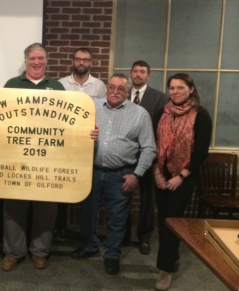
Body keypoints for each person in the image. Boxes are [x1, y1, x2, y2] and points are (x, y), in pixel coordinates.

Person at [71, 73, 156, 275]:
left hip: (121, 173)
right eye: (112, 87)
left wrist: (136, 175)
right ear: (106, 88)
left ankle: (112, 255)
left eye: (121, 89)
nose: (115, 91)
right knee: (88, 213)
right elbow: (73, 132)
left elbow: (149, 148)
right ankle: (90, 246)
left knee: (117, 218)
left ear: (128, 92)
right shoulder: (92, 107)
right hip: (91, 170)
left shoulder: (140, 113)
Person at [1, 42, 65, 272]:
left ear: (46, 61)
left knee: (46, 209)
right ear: (25, 61)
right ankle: (13, 252)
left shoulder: (57, 87)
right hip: (17, 157)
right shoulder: (11, 85)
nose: (36, 62)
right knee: (14, 207)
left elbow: (68, 124)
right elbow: (0, 119)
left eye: (40, 58)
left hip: (49, 159)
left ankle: (40, 251)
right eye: (32, 58)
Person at [151, 73, 212, 291]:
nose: (175, 92)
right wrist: (157, 173)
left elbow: (201, 152)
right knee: (163, 221)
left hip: (184, 177)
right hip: (161, 174)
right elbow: (153, 145)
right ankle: (171, 258)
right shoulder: (162, 113)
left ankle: (165, 271)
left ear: (191, 89)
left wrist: (181, 177)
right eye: (172, 88)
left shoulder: (201, 116)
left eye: (180, 88)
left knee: (171, 222)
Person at [54, 47, 107, 242]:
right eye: (78, 59)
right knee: (60, 184)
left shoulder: (99, 86)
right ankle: (59, 227)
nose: (81, 63)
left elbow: (103, 113)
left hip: (87, 144)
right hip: (64, 143)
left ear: (91, 62)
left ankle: (85, 232)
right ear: (73, 61)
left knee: (84, 186)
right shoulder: (61, 84)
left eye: (85, 60)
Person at [123, 60, 168, 254]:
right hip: (125, 156)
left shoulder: (160, 98)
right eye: (135, 71)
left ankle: (144, 237)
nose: (138, 75)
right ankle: (123, 235)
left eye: (142, 72)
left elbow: (162, 130)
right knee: (122, 196)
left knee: (147, 200)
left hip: (149, 156)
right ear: (131, 74)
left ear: (148, 75)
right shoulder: (122, 94)